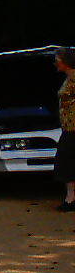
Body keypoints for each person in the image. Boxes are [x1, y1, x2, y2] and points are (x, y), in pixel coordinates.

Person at [54, 47, 75, 211]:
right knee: (66, 161)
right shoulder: (68, 79)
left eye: (58, 59)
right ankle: (71, 197)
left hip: (73, 128)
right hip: (68, 127)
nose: (55, 62)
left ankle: (71, 198)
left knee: (66, 161)